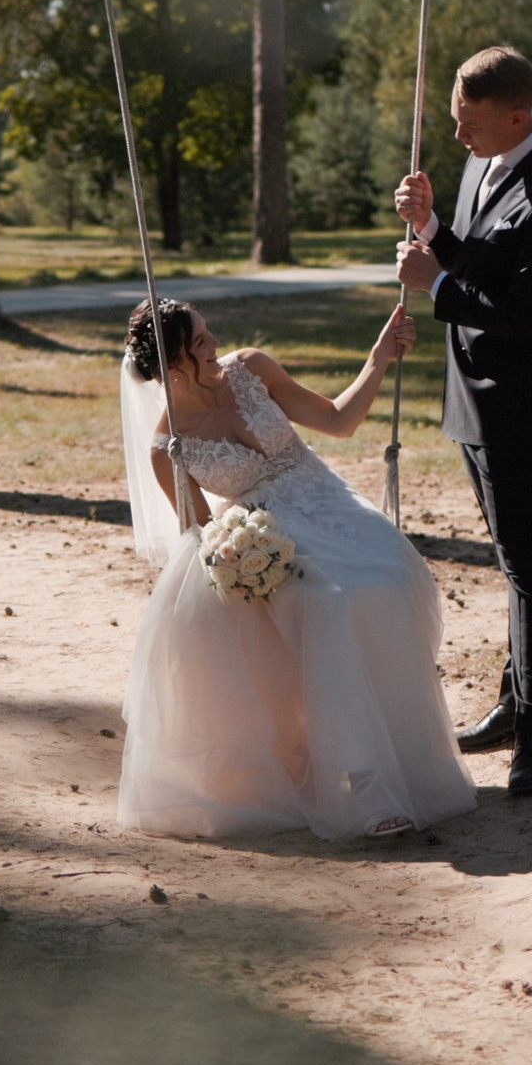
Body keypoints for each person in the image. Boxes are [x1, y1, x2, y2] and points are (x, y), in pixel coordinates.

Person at [116, 297, 477, 841]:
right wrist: (240, 559)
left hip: (331, 506)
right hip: (269, 542)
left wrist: (378, 357)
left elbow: (339, 421)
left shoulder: (251, 368)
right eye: (201, 342)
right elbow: (199, 537)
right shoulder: (168, 448)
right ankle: (367, 786)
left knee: (386, 580)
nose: (216, 345)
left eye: (210, 333)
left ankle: (406, 758)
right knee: (331, 605)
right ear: (172, 368)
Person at [392, 47, 532, 795]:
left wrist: (436, 285)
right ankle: (513, 701)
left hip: (521, 402)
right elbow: (481, 262)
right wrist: (433, 226)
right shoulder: (484, 163)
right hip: (472, 396)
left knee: (530, 566)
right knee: (512, 561)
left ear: (516, 116)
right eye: (454, 119)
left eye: (468, 122)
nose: (458, 136)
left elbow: (525, 316)